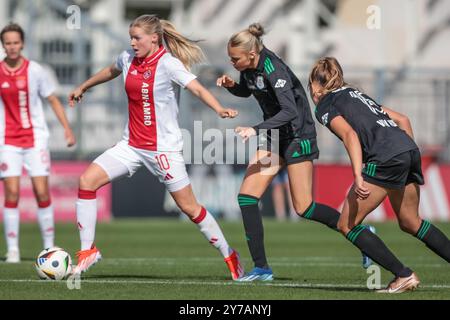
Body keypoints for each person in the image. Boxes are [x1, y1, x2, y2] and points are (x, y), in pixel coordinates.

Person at [68, 15, 244, 280]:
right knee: (86, 181)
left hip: (163, 150)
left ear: (154, 38)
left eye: (137, 37)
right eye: (131, 37)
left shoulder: (169, 64)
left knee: (190, 208)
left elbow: (196, 88)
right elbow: (110, 71)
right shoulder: (127, 57)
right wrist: (84, 86)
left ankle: (229, 254)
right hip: (130, 145)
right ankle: (87, 251)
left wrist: (218, 108)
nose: (132, 42)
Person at [217, 23, 372, 282]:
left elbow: (289, 111)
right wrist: (232, 86)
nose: (232, 61)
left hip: (298, 136)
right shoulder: (250, 67)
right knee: (246, 197)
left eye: (235, 58)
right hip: (275, 135)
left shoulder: (274, 68)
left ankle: (362, 232)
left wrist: (255, 129)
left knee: (304, 207)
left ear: (252, 55)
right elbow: (249, 89)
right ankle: (262, 268)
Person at [309, 57, 450, 293]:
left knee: (347, 224)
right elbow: (403, 119)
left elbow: (350, 136)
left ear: (315, 86)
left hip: (386, 157)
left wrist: (357, 175)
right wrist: (407, 155)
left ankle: (403, 275)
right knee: (410, 222)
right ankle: (404, 274)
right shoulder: (357, 94)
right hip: (407, 149)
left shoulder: (324, 105)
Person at [0, 23, 76, 263]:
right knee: (11, 193)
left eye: (15, 42)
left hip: (35, 140)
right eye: (7, 43)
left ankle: (49, 247)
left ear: (22, 44)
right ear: (3, 45)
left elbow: (52, 100)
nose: (12, 47)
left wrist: (67, 129)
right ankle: (13, 249)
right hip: (7, 140)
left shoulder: (35, 71)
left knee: (41, 191)